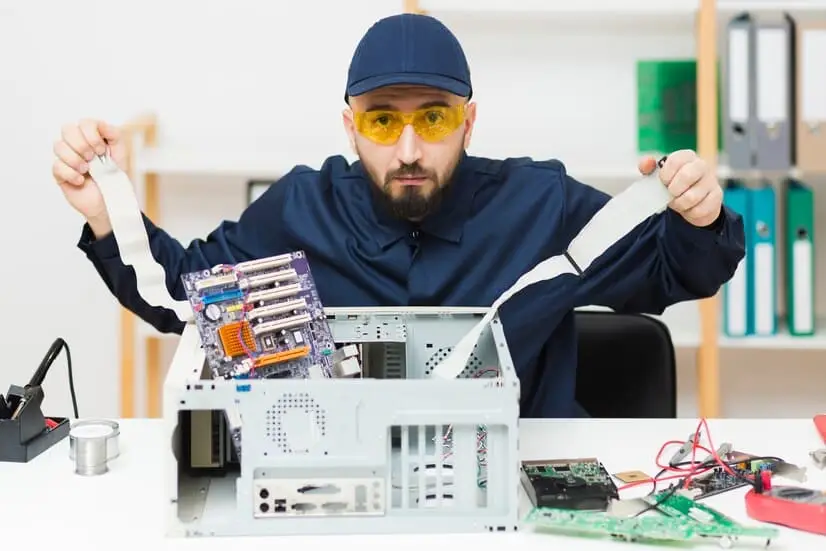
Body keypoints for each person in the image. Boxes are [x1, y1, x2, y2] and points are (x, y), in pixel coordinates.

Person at [51, 13, 745, 418]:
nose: (409, 150)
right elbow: (183, 296)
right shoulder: (300, 208)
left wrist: (698, 213)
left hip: (524, 497)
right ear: (350, 128)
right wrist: (109, 213)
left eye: (433, 119)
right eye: (383, 122)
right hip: (346, 498)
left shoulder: (542, 203)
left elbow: (670, 270)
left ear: (468, 123)